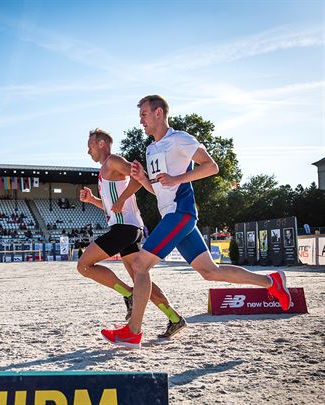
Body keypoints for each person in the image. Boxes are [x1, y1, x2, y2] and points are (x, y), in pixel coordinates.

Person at [101, 95, 292, 349]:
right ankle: (272, 282)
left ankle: (133, 332)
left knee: (140, 266)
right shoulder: (150, 149)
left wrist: (179, 177)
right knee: (210, 272)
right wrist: (143, 178)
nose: (141, 121)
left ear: (159, 113)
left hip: (181, 213)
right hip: (172, 214)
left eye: (144, 115)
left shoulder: (179, 139)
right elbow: (158, 190)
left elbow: (212, 167)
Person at [78, 128, 186, 338]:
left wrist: (121, 199)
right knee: (142, 280)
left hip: (124, 229)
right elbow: (114, 207)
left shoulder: (113, 161)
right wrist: (92, 200)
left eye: (90, 145)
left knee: (84, 265)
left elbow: (139, 177)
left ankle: (128, 294)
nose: (88, 150)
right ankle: (174, 318)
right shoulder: (105, 171)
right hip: (129, 228)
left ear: (101, 144)